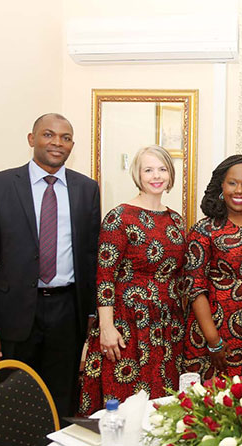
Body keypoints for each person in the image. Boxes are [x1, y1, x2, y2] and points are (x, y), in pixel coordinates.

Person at [0, 113, 101, 417]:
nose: (57, 143)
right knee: (15, 399)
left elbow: (91, 255)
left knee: (62, 399)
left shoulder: (86, 189)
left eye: (65, 138)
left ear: (72, 145)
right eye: (48, 135)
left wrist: (92, 309)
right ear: (32, 139)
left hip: (69, 311)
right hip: (14, 312)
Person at [78, 145, 187, 415]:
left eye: (162, 169)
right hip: (128, 325)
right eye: (148, 169)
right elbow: (104, 277)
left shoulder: (176, 220)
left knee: (163, 405)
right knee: (126, 403)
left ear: (171, 175)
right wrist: (106, 328)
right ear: (138, 175)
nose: (156, 176)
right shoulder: (120, 217)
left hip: (167, 325)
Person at [182, 155, 242, 379]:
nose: (239, 190)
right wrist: (213, 340)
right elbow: (195, 289)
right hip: (216, 328)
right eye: (232, 183)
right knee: (216, 403)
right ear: (221, 186)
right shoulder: (204, 229)